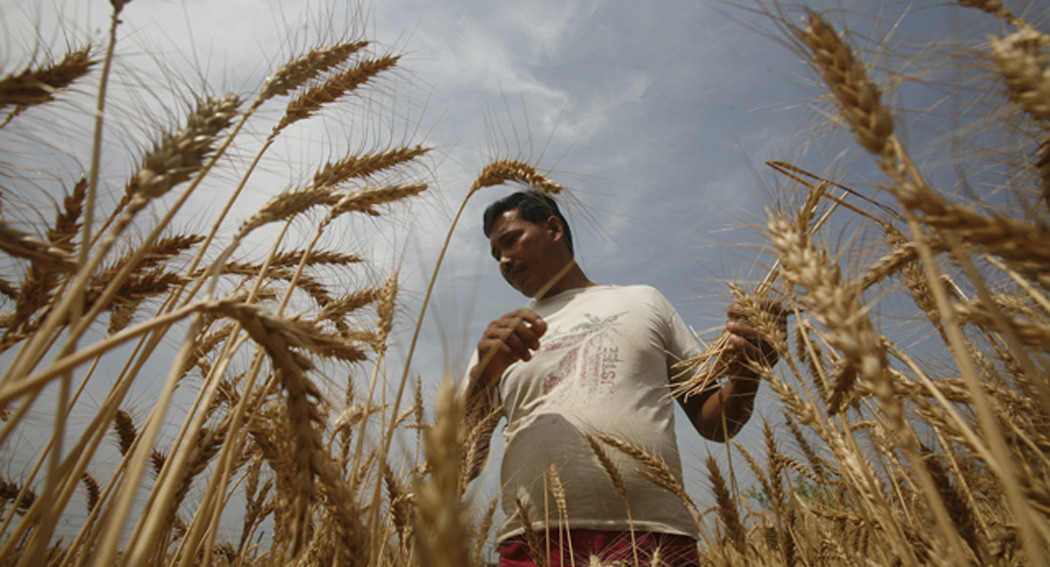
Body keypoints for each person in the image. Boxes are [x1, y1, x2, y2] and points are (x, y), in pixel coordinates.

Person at [461, 190, 780, 567]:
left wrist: (748, 369)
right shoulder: (502, 339)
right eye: (496, 254)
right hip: (534, 544)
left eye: (511, 241)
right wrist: (483, 377)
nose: (504, 260)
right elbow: (463, 464)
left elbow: (715, 422)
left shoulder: (644, 301)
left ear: (553, 229)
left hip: (655, 537)